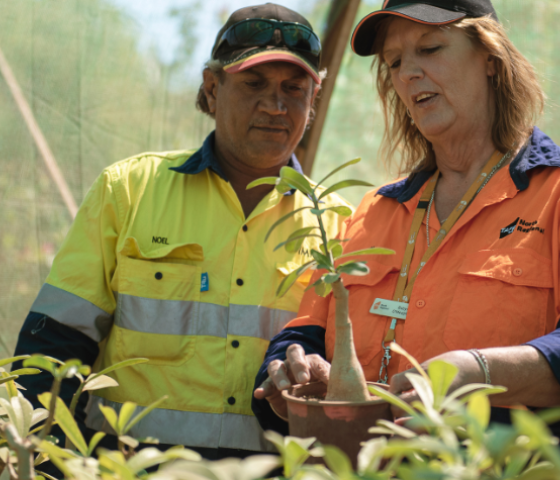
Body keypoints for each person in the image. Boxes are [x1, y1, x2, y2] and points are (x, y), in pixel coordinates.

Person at [12, 3, 351, 458]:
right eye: (253, 84)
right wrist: (40, 459)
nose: (275, 106)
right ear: (212, 89)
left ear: (314, 103)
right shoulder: (128, 191)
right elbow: (53, 348)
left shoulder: (340, 224)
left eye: (295, 89)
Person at [253, 0, 560, 435]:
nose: (408, 72)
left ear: (490, 58)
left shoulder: (552, 194)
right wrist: (291, 368)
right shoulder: (375, 210)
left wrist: (479, 371)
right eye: (394, 61)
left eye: (430, 48)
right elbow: (308, 331)